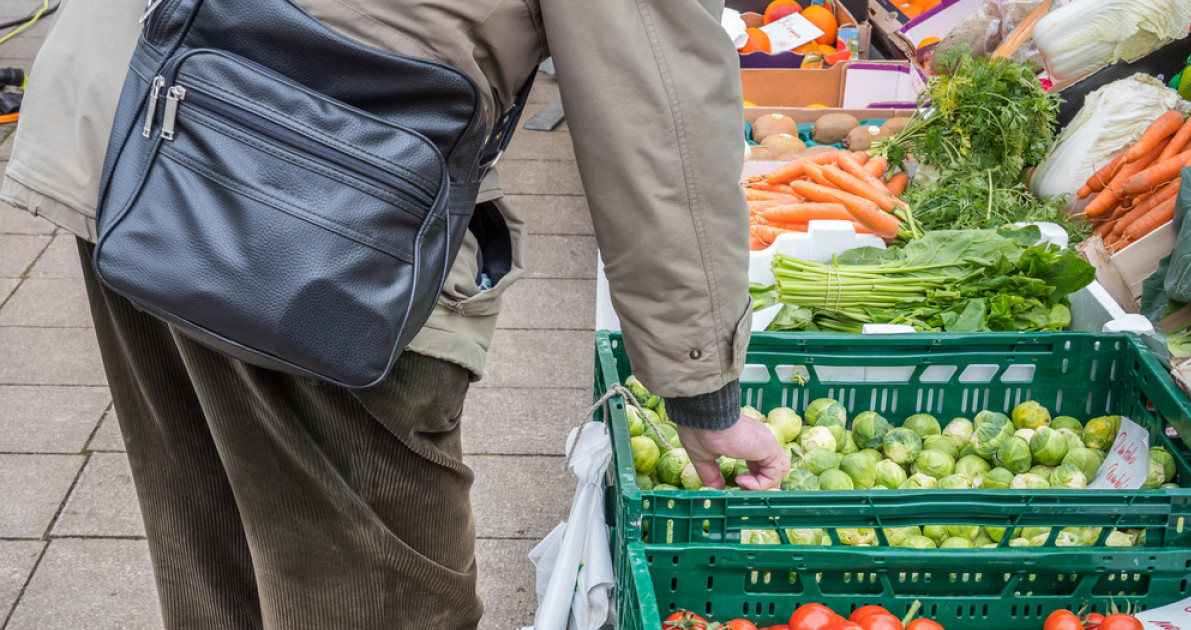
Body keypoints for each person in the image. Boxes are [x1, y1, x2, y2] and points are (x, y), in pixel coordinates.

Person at [1, 0, 789, 627]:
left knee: (217, 558)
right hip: (304, 192)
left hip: (129, 116)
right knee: (384, 593)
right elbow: (657, 101)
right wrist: (702, 388)